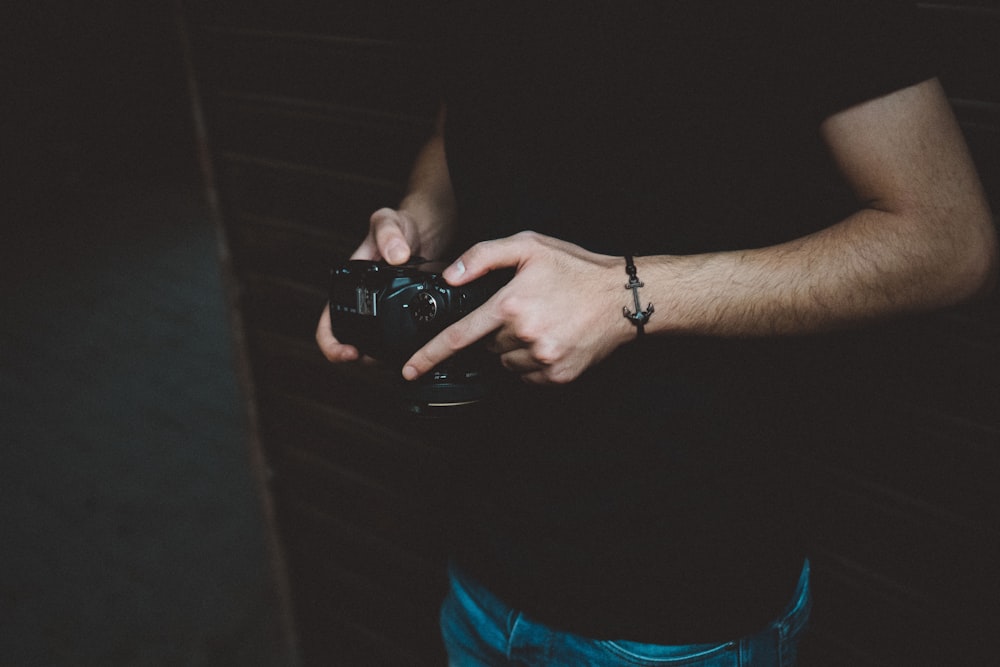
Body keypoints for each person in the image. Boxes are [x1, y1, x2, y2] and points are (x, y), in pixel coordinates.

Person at [317, 3, 997, 665]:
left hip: (675, 608)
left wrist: (627, 294)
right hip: (483, 562)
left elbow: (947, 237)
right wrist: (420, 219)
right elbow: (461, 120)